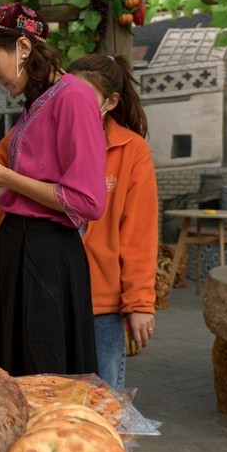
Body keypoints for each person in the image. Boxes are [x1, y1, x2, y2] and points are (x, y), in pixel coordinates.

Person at [0, 3, 108, 377]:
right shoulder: (36, 103)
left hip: (48, 255)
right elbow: (36, 194)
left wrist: (5, 178)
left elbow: (87, 201)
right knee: (16, 367)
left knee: (44, 372)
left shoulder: (73, 96)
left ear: (22, 47)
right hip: (19, 249)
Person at [65, 54, 158, 388]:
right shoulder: (49, 136)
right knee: (50, 398)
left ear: (111, 102)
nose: (73, 104)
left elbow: (139, 234)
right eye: (67, 94)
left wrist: (139, 303)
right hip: (49, 293)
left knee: (103, 402)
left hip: (101, 303)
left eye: (84, 96)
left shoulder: (131, 150)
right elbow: (5, 189)